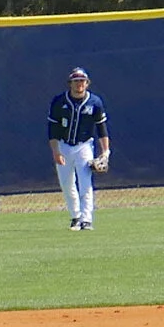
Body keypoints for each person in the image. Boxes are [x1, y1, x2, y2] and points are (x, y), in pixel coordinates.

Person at [49, 67, 111, 231]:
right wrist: (55, 151)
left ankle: (86, 219)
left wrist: (106, 152)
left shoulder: (95, 102)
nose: (79, 84)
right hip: (63, 145)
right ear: (70, 83)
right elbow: (52, 129)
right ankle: (76, 216)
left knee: (85, 184)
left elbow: (101, 129)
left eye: (82, 81)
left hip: (84, 146)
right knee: (67, 184)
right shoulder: (59, 101)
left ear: (87, 83)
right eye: (76, 81)